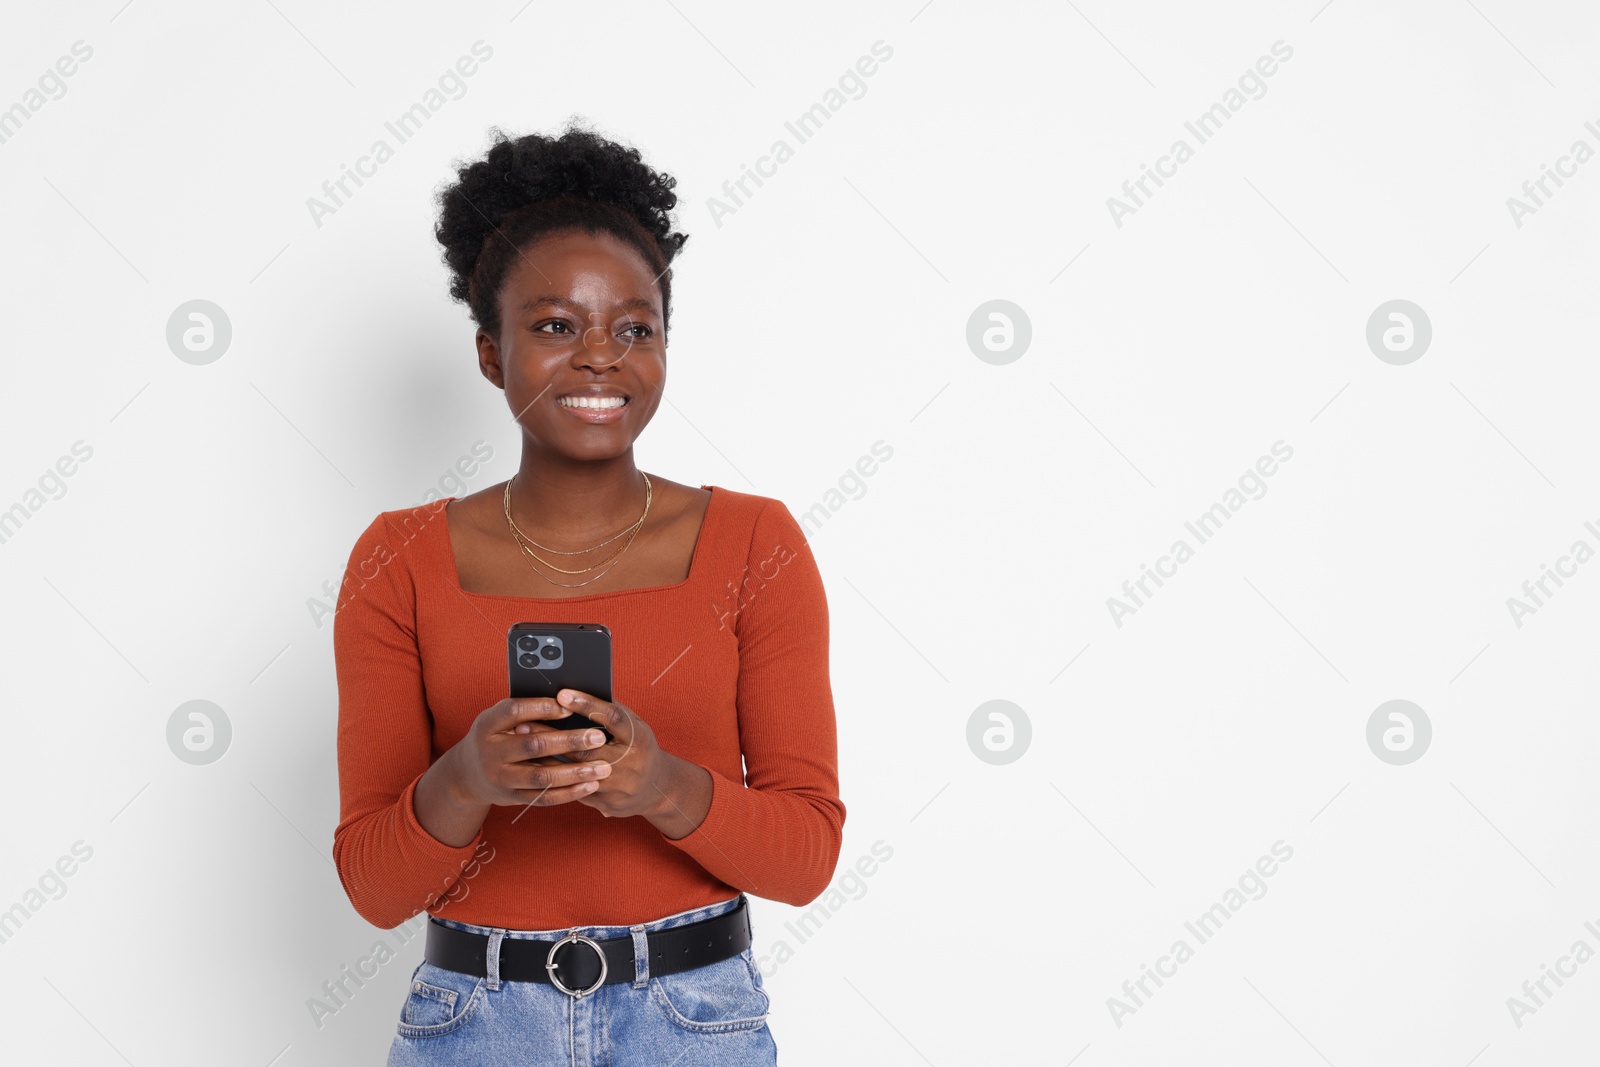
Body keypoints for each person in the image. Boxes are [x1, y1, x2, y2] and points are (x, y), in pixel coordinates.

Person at [331, 120, 845, 1066]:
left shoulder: (754, 542)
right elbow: (372, 884)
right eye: (556, 325)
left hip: (694, 1021)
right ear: (491, 353)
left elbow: (807, 856)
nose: (601, 356)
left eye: (634, 327)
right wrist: (468, 778)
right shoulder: (395, 557)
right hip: (472, 1023)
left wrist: (662, 784)